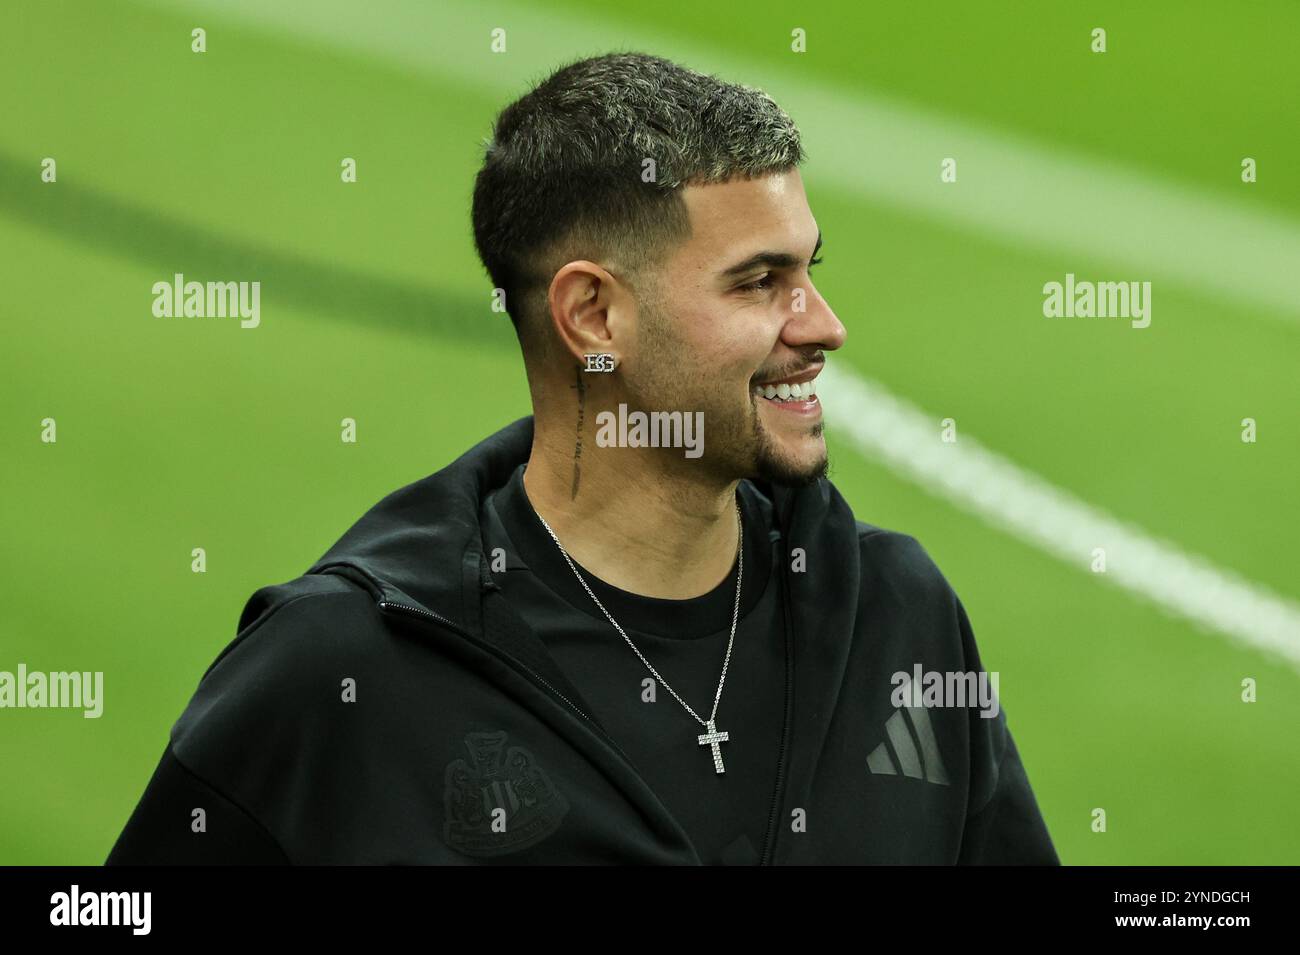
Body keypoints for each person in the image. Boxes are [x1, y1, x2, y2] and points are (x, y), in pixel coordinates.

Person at [106, 51, 1058, 865]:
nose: (823, 326)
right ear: (594, 316)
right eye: (760, 282)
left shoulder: (901, 616)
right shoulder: (347, 667)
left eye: (811, 269)